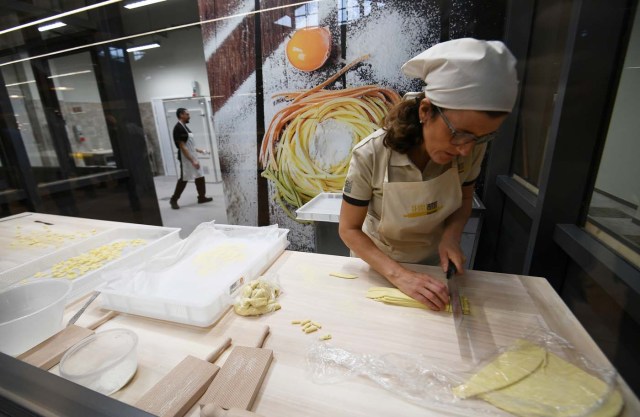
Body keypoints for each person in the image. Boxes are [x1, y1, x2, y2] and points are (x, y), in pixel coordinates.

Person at [339, 38, 518, 311]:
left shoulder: (470, 149)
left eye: (482, 138)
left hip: (434, 268)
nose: (465, 149)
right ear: (426, 111)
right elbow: (349, 229)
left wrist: (451, 237)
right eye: (459, 134)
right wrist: (399, 276)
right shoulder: (371, 154)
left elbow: (465, 200)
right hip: (379, 267)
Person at [170, 107, 213, 209]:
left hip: (192, 156)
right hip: (186, 159)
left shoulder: (185, 127)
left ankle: (201, 197)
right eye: (187, 114)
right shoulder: (178, 128)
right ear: (181, 115)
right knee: (184, 179)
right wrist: (192, 160)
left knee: (200, 176)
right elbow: (183, 146)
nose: (189, 116)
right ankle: (173, 200)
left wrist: (201, 151)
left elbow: (189, 145)